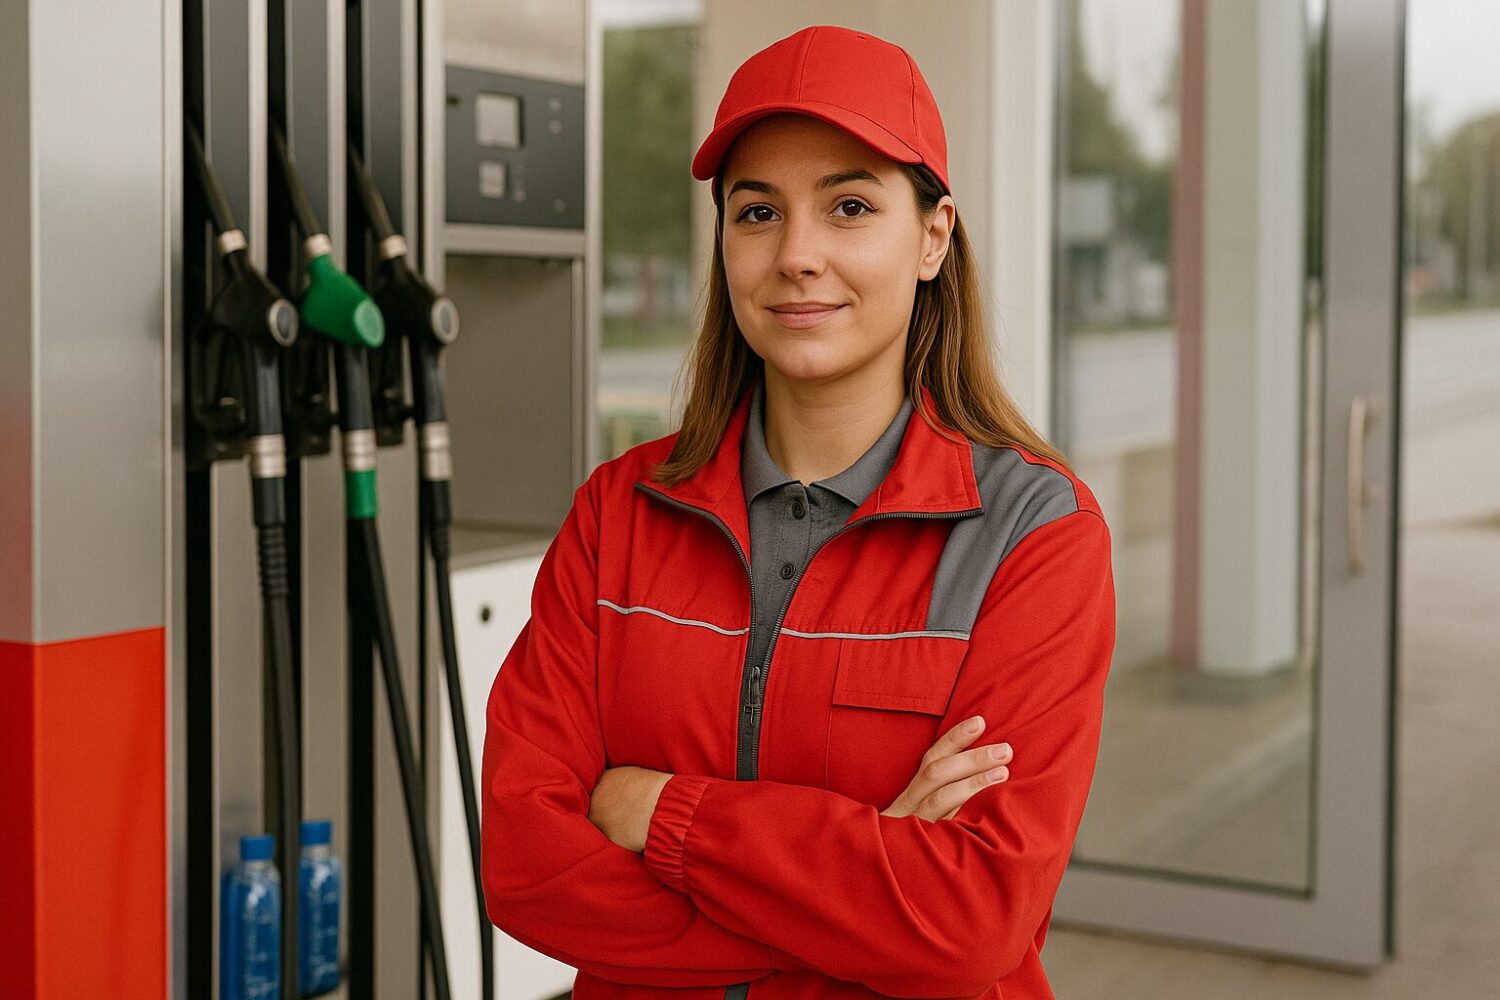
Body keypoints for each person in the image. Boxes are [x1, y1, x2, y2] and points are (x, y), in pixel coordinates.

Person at [480, 24, 1116, 1000]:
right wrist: (855, 898)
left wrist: (661, 815)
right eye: (757, 212)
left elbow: (972, 920)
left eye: (850, 206)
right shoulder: (620, 514)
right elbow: (527, 862)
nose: (797, 256)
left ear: (933, 238)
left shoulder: (1036, 535)